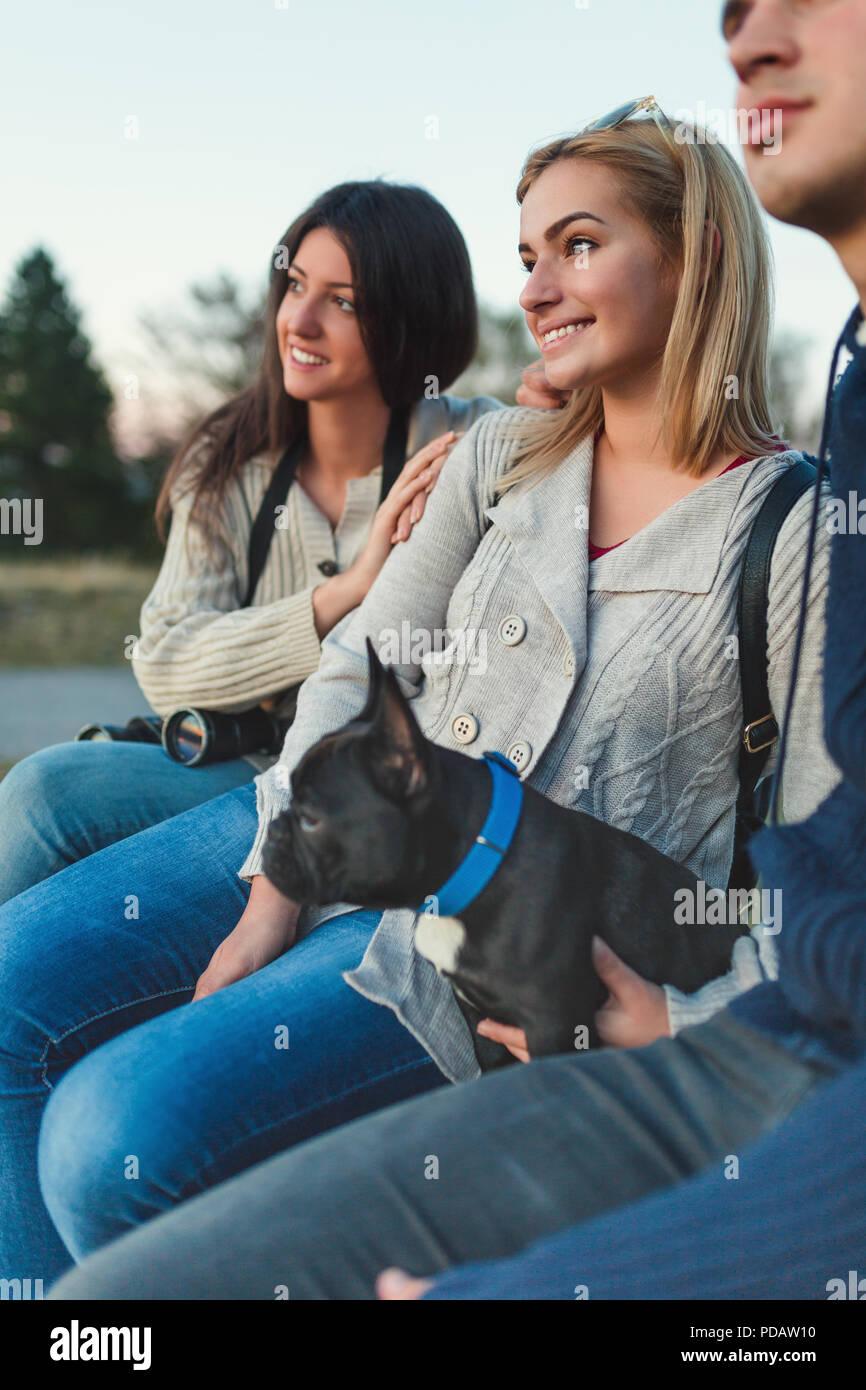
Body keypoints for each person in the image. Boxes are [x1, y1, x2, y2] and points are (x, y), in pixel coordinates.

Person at [46, 0, 866, 1301]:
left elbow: (817, 855)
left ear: (697, 254)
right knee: (54, 1002)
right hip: (375, 908)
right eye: (527, 252)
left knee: (116, 1140)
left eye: (578, 245)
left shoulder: (798, 525)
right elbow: (353, 668)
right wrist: (266, 905)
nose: (533, 286)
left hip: (540, 981)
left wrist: (685, 1026)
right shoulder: (498, 452)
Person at [0, 180, 502, 906]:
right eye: (295, 284)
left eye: (343, 300)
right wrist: (345, 591)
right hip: (242, 766)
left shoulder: (469, 442)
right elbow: (165, 658)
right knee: (42, 794)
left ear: (412, 319)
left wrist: (567, 393)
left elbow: (601, 428)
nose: (298, 319)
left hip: (392, 792)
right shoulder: (226, 459)